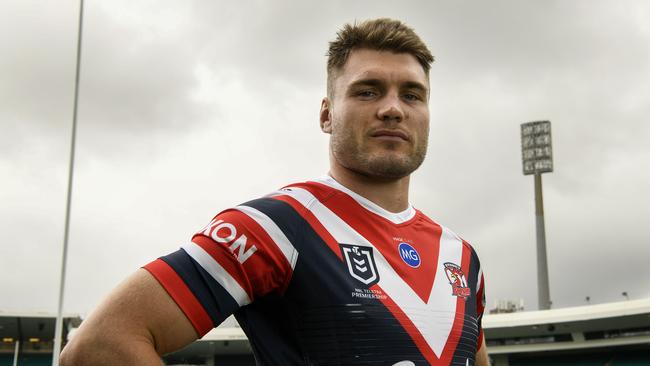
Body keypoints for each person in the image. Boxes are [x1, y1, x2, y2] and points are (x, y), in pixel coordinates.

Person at [60, 18, 490, 366]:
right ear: (327, 115)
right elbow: (97, 346)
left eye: (412, 95)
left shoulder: (462, 258)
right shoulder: (276, 226)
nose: (393, 108)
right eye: (368, 90)